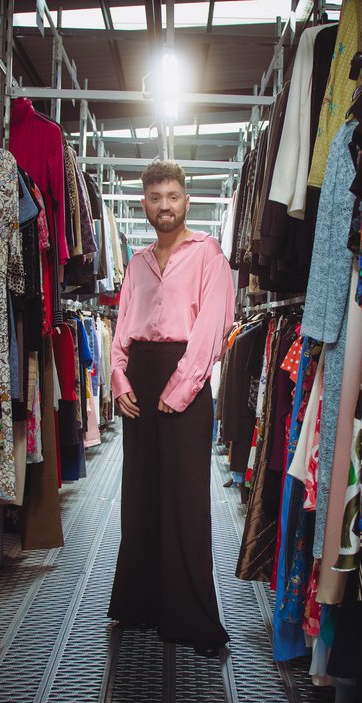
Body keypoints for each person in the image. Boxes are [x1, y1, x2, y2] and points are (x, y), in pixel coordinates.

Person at [108, 160, 234, 656]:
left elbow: (212, 331)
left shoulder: (209, 255)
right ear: (144, 203)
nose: (165, 204)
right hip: (139, 378)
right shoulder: (136, 263)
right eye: (156, 196)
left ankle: (191, 617)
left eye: (174, 195)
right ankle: (139, 605)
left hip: (185, 379)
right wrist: (118, 378)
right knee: (139, 493)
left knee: (184, 498)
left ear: (188, 201)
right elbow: (121, 329)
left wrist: (180, 387)